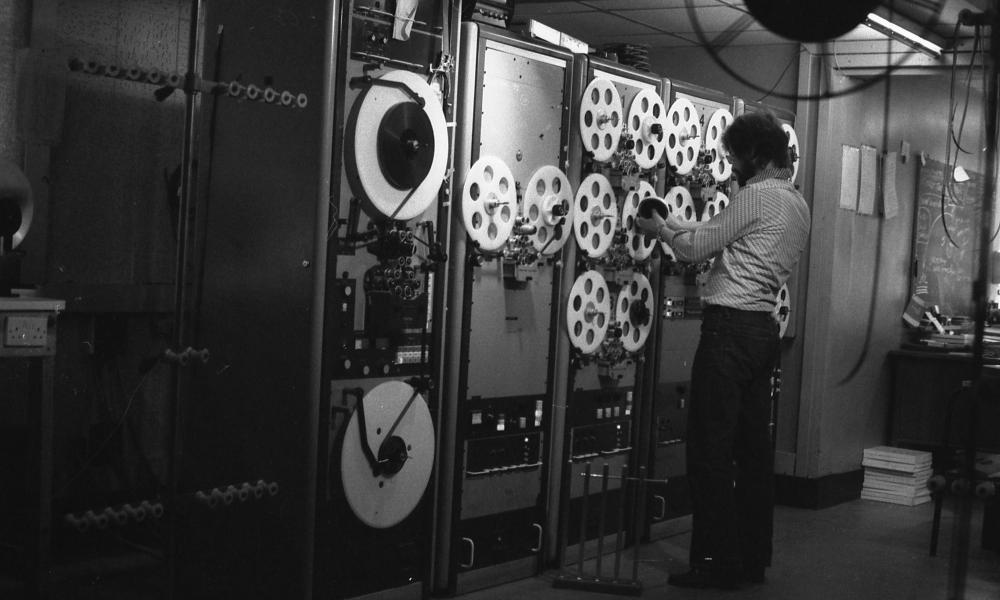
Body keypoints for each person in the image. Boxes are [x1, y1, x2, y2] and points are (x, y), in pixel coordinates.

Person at [635, 111, 811, 589]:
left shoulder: (754, 196)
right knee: (754, 453)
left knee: (710, 451)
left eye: (734, 154)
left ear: (755, 155)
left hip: (728, 332)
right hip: (762, 333)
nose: (729, 162)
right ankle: (752, 559)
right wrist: (674, 222)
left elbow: (696, 250)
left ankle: (715, 562)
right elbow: (719, 234)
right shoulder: (796, 203)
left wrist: (661, 232)